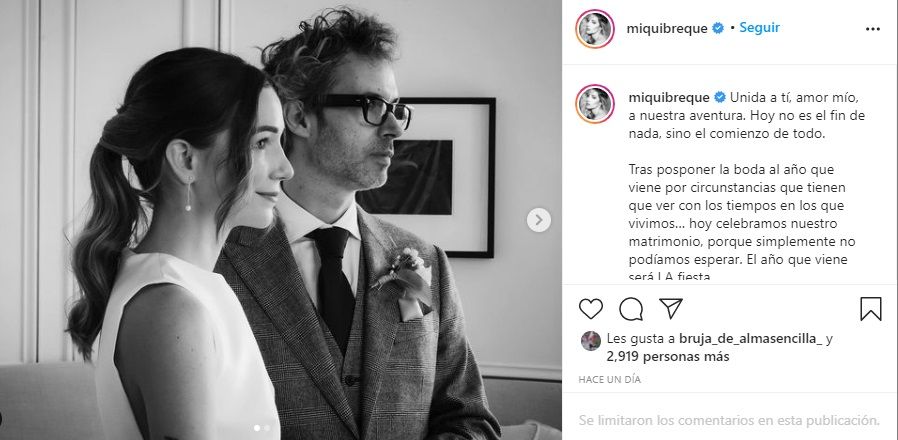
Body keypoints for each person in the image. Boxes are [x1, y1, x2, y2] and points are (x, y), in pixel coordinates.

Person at [214, 8, 501, 440]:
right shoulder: (219, 261)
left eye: (396, 108)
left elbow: (469, 418)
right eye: (372, 106)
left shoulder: (426, 262)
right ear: (300, 118)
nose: (394, 128)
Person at [66, 47, 293, 439]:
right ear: (186, 160)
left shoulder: (183, 291)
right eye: (261, 143)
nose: (285, 168)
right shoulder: (172, 310)